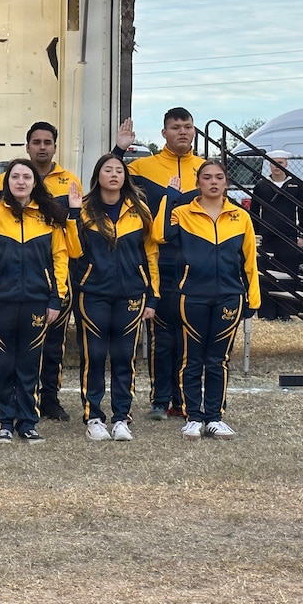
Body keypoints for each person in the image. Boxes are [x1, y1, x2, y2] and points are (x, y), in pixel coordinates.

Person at [0, 122, 81, 422]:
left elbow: (68, 251)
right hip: (5, 294)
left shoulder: (68, 183)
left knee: (49, 350)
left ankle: (46, 402)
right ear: (27, 146)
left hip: (45, 290)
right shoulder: (0, 192)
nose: (41, 146)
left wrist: (57, 294)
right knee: (6, 358)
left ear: (54, 146)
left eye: (47, 142)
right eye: (35, 141)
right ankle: (6, 415)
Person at [0, 160, 68, 445]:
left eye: (27, 176)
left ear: (35, 182)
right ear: (6, 181)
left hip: (38, 300)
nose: (21, 181)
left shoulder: (49, 216)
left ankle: (27, 422)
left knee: (29, 364)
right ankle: (3, 422)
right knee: (2, 363)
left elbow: (60, 258)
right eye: (15, 176)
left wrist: (56, 298)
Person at [161, 160, 260, 440]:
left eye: (219, 177)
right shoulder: (182, 213)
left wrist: (253, 297)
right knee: (192, 358)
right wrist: (169, 197)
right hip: (191, 296)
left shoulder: (240, 217)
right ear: (198, 183)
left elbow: (250, 260)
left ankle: (215, 417)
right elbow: (160, 234)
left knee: (218, 359)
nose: (213, 182)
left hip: (229, 296)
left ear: (226, 182)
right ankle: (193, 416)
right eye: (207, 177)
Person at [115, 110, 204, 421]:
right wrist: (119, 149)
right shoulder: (142, 168)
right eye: (175, 127)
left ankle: (185, 400)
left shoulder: (205, 170)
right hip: (159, 262)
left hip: (196, 265)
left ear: (194, 131)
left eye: (187, 127)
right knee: (162, 336)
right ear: (164, 132)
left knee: (190, 335)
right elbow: (107, 182)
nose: (182, 132)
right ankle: (159, 399)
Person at [66, 154, 159, 442]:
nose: (114, 174)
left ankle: (121, 418)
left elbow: (151, 253)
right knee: (93, 355)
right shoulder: (83, 210)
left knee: (124, 357)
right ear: (98, 176)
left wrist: (152, 296)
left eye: (119, 170)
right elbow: (72, 250)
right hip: (92, 293)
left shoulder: (140, 210)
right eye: (108, 170)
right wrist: (70, 214)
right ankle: (93, 417)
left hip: (131, 294)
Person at [250, 150, 303, 320]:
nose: (277, 166)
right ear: (269, 164)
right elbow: (254, 211)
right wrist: (255, 234)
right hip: (267, 236)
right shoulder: (261, 185)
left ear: (286, 164)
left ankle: (286, 312)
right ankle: (267, 313)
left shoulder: (296, 185)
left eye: (280, 163)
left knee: (289, 274)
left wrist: (302, 235)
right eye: (273, 162)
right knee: (267, 274)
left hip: (289, 236)